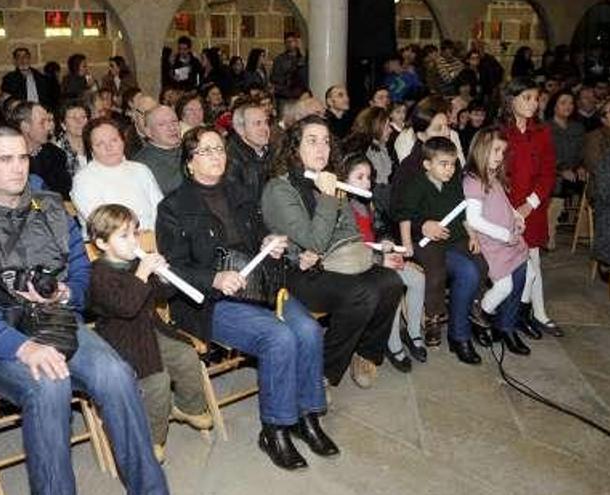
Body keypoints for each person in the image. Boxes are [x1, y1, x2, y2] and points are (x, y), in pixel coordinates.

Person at [0, 125, 169, 495]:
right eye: (5, 159)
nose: (18, 168)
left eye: (23, 157)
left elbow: (82, 275)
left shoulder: (53, 207)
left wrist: (65, 294)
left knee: (117, 374)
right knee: (49, 385)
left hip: (56, 322)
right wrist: (22, 348)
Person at [157, 125, 337, 470]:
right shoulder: (173, 207)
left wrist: (270, 243)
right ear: (189, 163)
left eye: (219, 149)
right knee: (279, 336)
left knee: (309, 331)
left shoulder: (241, 192)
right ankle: (276, 428)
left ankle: (308, 416)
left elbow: (260, 238)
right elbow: (172, 270)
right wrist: (214, 278)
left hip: (260, 288)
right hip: (211, 302)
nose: (216, 156)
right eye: (205, 151)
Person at [261, 115, 403, 386]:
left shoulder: (327, 179)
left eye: (326, 141)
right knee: (362, 294)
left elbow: (350, 234)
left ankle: (366, 353)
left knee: (390, 282)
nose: (322, 148)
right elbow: (312, 241)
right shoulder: (279, 189)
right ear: (294, 147)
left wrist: (375, 257)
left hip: (330, 263)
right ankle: (323, 372)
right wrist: (328, 198)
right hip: (293, 272)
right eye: (312, 141)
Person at [87, 204, 211, 463]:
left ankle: (185, 407)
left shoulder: (135, 263)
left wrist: (163, 277)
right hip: (121, 339)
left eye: (135, 233)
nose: (133, 241)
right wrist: (142, 273)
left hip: (151, 328)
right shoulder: (98, 274)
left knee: (186, 355)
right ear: (101, 243)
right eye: (124, 236)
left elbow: (161, 296)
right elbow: (126, 307)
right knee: (157, 381)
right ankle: (152, 436)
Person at [391, 136, 489, 363]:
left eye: (453, 164)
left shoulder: (454, 181)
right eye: (443, 164)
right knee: (436, 272)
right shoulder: (416, 183)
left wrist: (473, 235)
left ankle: (475, 303)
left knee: (481, 261)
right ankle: (433, 316)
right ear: (427, 164)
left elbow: (462, 212)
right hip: (427, 242)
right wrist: (406, 244)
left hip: (455, 237)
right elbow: (404, 216)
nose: (450, 169)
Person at [341, 153, 426, 370]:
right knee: (393, 283)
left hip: (379, 257)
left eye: (368, 177)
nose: (366, 182)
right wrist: (381, 258)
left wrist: (386, 241)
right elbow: (348, 249)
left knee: (417, 278)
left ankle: (413, 331)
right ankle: (392, 341)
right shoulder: (340, 206)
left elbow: (382, 228)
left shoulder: (369, 203)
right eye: (359, 177)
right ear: (344, 179)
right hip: (358, 264)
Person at [501, 78, 561, 338]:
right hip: (506, 208)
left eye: (536, 98)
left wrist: (530, 204)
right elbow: (494, 173)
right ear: (511, 100)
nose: (533, 103)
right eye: (527, 97)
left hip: (533, 208)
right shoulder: (501, 132)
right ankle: (517, 316)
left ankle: (533, 314)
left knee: (533, 263)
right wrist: (511, 209)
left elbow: (548, 173)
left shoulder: (543, 132)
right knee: (522, 269)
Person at [463, 128, 532, 355]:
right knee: (504, 286)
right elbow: (474, 219)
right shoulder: (473, 180)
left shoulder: (493, 176)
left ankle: (507, 323)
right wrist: (504, 235)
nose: (500, 156)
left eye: (503, 151)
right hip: (494, 244)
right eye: (496, 150)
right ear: (481, 149)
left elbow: (505, 203)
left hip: (510, 238)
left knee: (529, 274)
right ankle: (481, 313)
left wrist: (517, 216)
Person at [71, 118, 164, 231]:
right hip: (111, 242)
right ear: (91, 150)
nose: (108, 148)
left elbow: (161, 209)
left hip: (154, 238)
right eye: (100, 144)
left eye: (114, 140)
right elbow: (103, 224)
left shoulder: (141, 169)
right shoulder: (83, 179)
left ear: (123, 142)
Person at [545, 89, 586, 250]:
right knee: (557, 184)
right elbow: (545, 156)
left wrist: (581, 166)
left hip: (574, 171)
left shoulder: (578, 127)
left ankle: (583, 231)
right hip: (553, 172)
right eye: (563, 102)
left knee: (589, 180)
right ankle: (549, 232)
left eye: (570, 103)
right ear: (554, 106)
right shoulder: (545, 127)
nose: (568, 106)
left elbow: (582, 152)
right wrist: (561, 169)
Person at [10, 101, 72, 197]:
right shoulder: (9, 158)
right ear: (25, 126)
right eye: (42, 122)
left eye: (48, 121)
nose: (48, 127)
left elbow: (65, 194)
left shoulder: (57, 155)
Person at [225, 100, 272, 202]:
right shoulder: (231, 160)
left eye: (266, 122)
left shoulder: (273, 149)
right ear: (240, 129)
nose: (265, 128)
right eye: (257, 123)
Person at [133, 105, 184, 195]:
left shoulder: (191, 149)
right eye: (162, 124)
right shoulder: (141, 165)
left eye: (174, 122)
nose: (172, 128)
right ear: (148, 132)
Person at [54, 100, 91, 177]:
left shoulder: (95, 146)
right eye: (73, 118)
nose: (79, 121)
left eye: (83, 117)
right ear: (63, 124)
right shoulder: (56, 152)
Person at [271, 32, 307, 104]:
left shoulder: (303, 58)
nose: (289, 44)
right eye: (287, 42)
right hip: (284, 94)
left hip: (301, 94)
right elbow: (275, 77)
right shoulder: (279, 59)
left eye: (292, 41)